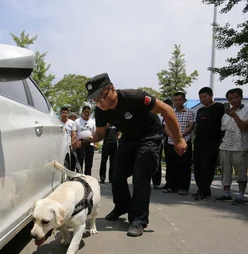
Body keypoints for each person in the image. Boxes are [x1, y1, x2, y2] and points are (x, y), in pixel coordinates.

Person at [83, 73, 187, 236]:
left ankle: (139, 220)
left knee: (141, 176)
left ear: (112, 88)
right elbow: (100, 134)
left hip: (150, 136)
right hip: (128, 139)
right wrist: (85, 139)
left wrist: (179, 139)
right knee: (117, 176)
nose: (99, 102)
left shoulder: (134, 97)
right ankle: (122, 206)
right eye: (94, 99)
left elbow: (166, 110)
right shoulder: (101, 111)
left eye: (101, 97)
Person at [214, 88, 248, 205]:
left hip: (239, 147)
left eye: (236, 97)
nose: (234, 101)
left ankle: (241, 196)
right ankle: (226, 194)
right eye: (231, 99)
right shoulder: (225, 115)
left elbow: (244, 128)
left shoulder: (247, 112)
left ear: (241, 97)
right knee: (225, 172)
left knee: (241, 172)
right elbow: (223, 130)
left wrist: (235, 116)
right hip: (225, 146)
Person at [193, 87, 225, 201]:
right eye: (200, 97)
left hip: (212, 143)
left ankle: (204, 190)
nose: (202, 99)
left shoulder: (219, 107)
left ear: (211, 95)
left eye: (205, 96)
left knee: (207, 167)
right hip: (199, 142)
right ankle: (202, 190)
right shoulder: (200, 111)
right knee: (198, 167)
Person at [162, 93, 195, 195]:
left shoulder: (190, 112)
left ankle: (183, 187)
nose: (177, 102)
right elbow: (166, 127)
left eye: (179, 100)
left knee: (184, 165)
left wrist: (180, 136)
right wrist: (174, 137)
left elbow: (191, 126)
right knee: (171, 165)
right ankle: (171, 186)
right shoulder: (170, 112)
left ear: (184, 100)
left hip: (185, 142)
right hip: (171, 142)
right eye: (175, 100)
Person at [153, 99, 173, 189]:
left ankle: (156, 182)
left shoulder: (162, 118)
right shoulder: (152, 116)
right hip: (150, 142)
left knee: (157, 162)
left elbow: (164, 130)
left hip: (159, 142)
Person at [72, 106, 96, 175]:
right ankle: (79, 178)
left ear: (90, 113)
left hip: (90, 144)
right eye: (85, 112)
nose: (86, 113)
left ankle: (88, 179)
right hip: (80, 144)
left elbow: (95, 133)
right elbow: (74, 133)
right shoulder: (76, 121)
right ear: (82, 112)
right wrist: (73, 143)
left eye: (88, 112)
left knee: (89, 164)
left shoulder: (93, 122)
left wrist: (96, 144)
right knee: (79, 163)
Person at [60, 106, 78, 171]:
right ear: (60, 114)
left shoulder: (71, 123)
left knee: (72, 161)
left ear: (67, 114)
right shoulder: (57, 122)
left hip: (69, 145)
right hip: (60, 145)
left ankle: (71, 176)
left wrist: (72, 144)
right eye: (63, 113)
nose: (64, 114)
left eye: (65, 113)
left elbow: (74, 134)